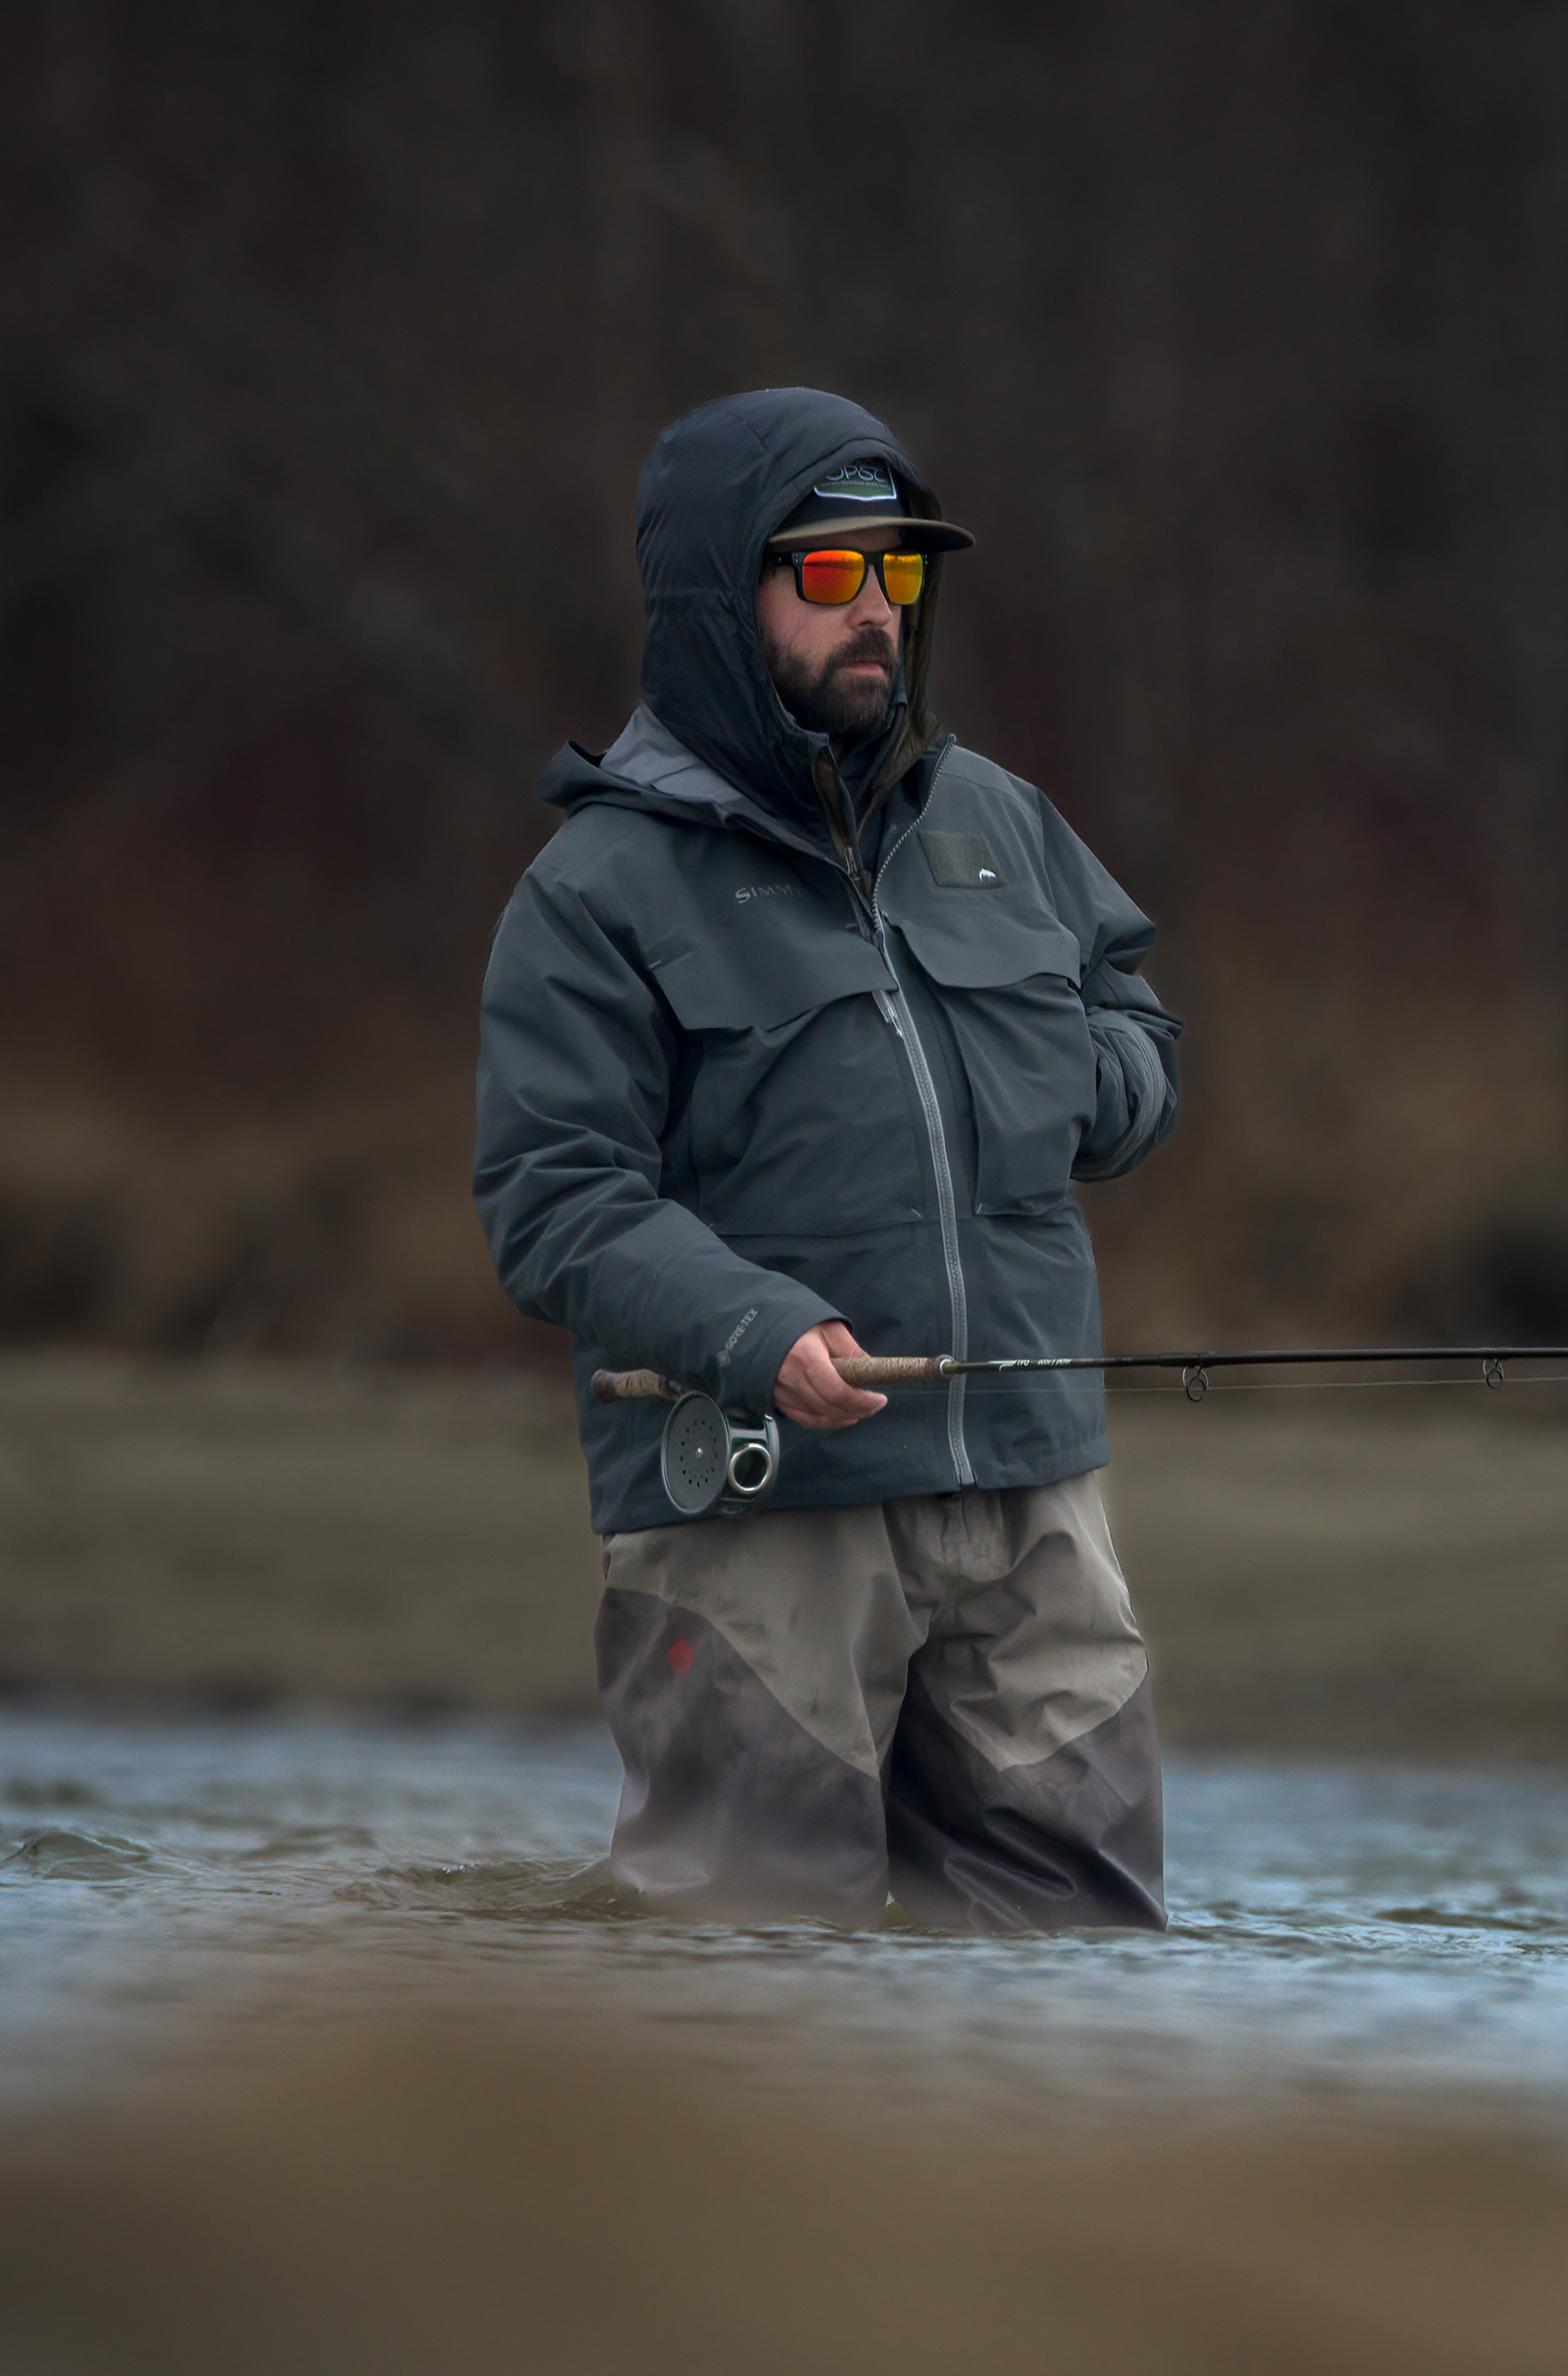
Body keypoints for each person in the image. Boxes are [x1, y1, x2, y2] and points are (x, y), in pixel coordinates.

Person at [474, 388, 1179, 1932]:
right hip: (759, 1506)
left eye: (900, 576)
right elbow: (554, 1202)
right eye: (833, 574)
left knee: (1080, 1963)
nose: (878, 613)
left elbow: (1134, 1019)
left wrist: (1090, 1073)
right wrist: (755, 1329)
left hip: (1032, 1485)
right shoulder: (596, 890)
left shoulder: (997, 819)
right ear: (724, 603)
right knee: (751, 1957)